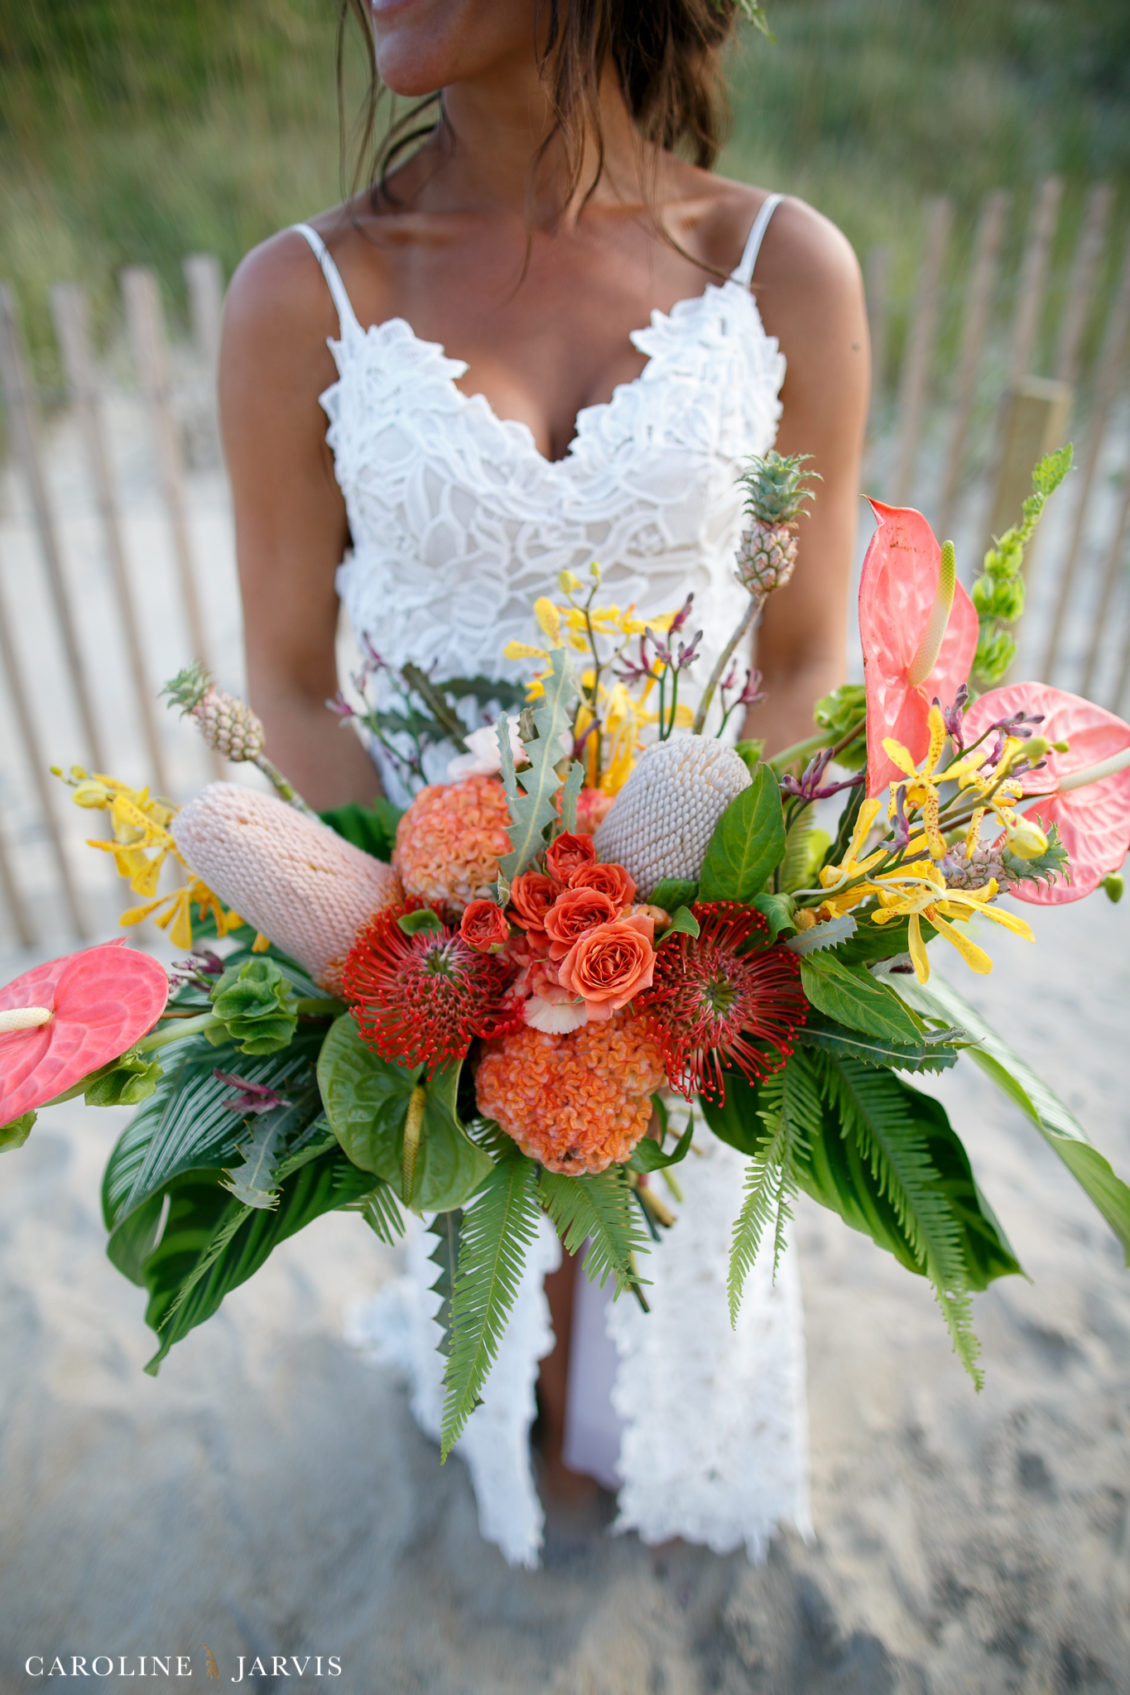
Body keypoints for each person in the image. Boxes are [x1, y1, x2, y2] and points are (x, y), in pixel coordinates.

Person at [220, 0, 869, 1565]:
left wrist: (692, 922)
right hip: (438, 925)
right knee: (504, 1329)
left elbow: (799, 658)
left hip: (694, 897)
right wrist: (433, 955)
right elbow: (295, 685)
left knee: (653, 1327)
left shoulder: (781, 264)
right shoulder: (304, 291)